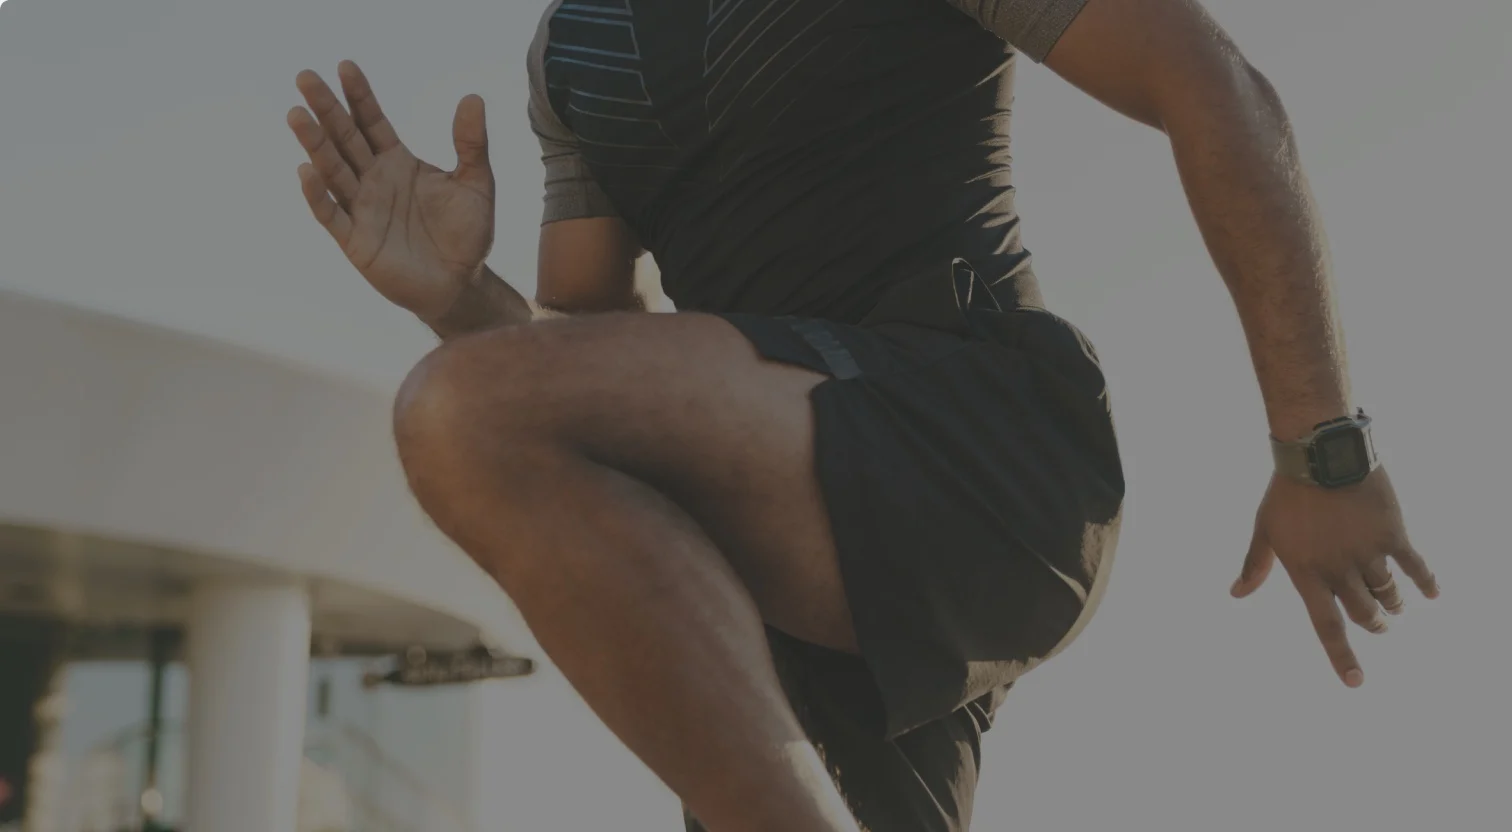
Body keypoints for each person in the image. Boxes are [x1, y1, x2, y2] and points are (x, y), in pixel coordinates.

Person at [284, 0, 1439, 829]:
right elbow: (582, 365)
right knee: (485, 407)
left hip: (979, 450)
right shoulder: (579, 42)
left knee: (460, 410)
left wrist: (1322, 447)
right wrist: (456, 297)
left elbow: (1210, 81)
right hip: (788, 532)